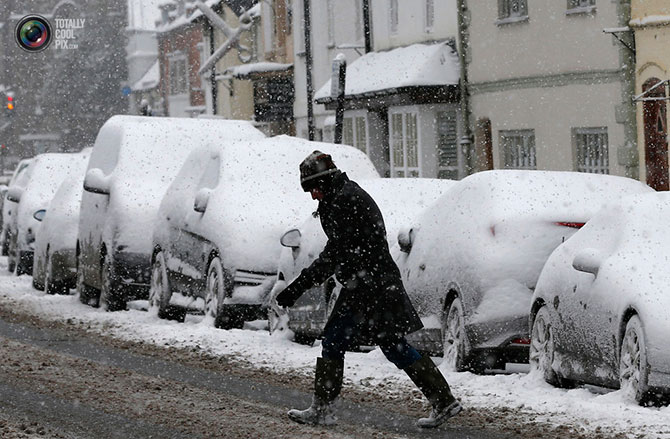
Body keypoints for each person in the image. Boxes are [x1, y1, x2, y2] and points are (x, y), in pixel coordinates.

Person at [275, 150, 462, 428]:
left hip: (369, 286)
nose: (313, 196)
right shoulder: (343, 195)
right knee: (391, 346)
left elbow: (336, 252)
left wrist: (298, 286)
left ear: (324, 182)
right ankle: (443, 400)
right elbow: (342, 250)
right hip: (373, 283)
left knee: (338, 342)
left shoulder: (344, 200)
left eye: (313, 188)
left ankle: (323, 409)